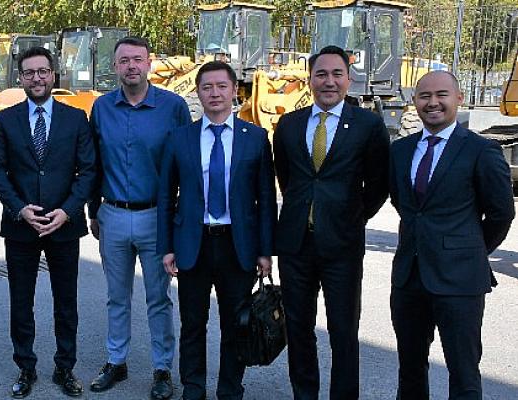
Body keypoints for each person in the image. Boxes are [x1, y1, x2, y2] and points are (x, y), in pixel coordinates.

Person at [272, 45, 390, 399]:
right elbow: (287, 178)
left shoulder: (368, 125)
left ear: (348, 79)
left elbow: (379, 184)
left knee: (343, 330)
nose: (329, 81)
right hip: (295, 245)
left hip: (342, 246)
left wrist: (352, 217)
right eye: (321, 74)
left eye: (337, 74)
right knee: (298, 327)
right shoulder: (289, 125)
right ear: (309, 80)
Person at [388, 70, 514, 399]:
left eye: (441, 95)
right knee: (410, 370)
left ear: (458, 98)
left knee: (463, 373)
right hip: (409, 279)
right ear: (415, 101)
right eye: (424, 96)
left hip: (460, 281)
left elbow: (501, 213)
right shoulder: (400, 151)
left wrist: (469, 250)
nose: (433, 102)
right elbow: (404, 204)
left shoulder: (480, 150)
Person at [157, 61, 276, 400]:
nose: (214, 93)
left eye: (221, 86)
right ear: (198, 92)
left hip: (238, 246)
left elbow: (266, 199)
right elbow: (166, 196)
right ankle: (193, 388)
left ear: (234, 90)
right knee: (193, 324)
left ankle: (230, 390)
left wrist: (265, 250)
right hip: (193, 244)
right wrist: (167, 246)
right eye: (207, 87)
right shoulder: (180, 138)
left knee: (235, 324)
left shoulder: (255, 138)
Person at [0, 46, 96, 398]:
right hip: (22, 226)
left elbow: (88, 170)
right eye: (29, 73)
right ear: (21, 78)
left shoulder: (76, 119)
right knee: (21, 303)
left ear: (53, 75)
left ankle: (65, 367)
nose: (37, 78)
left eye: (42, 72)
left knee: (66, 303)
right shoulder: (6, 120)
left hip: (64, 225)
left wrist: (68, 210)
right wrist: (19, 208)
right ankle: (26, 367)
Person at [87, 36, 191, 399]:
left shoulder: (173, 107)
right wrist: (93, 211)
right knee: (117, 296)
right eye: (124, 61)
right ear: (115, 67)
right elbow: (94, 163)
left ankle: (162, 368)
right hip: (113, 214)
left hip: (156, 217)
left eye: (137, 59)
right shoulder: (102, 107)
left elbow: (186, 165)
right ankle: (116, 361)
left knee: (158, 299)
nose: (131, 66)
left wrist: (179, 220)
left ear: (149, 63)